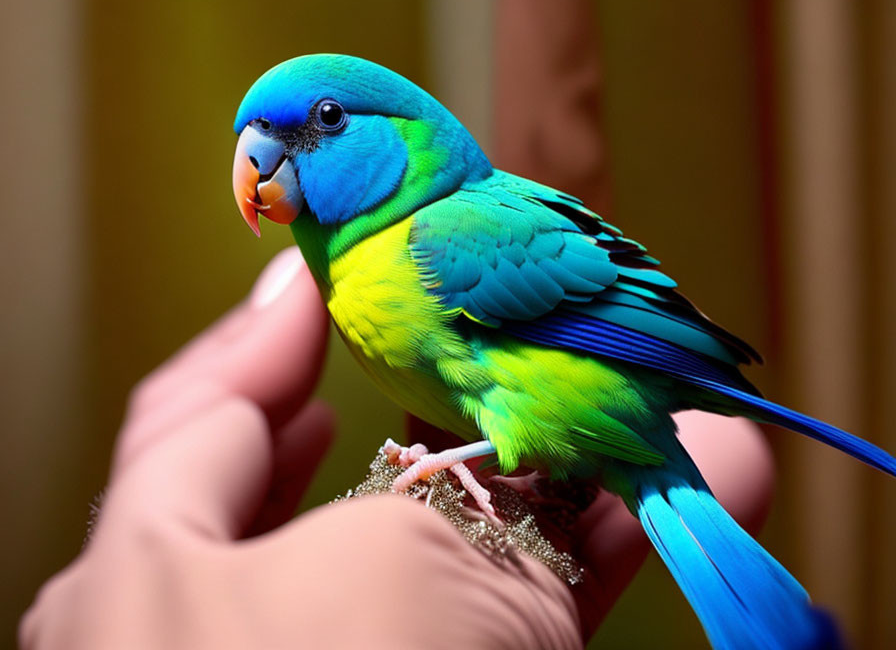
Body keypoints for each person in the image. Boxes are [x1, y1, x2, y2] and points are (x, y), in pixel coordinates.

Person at [19, 247, 773, 650]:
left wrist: (449, 471)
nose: (267, 158)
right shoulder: (354, 276)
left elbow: (575, 342)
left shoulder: (435, 238)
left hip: (578, 402)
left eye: (324, 121)